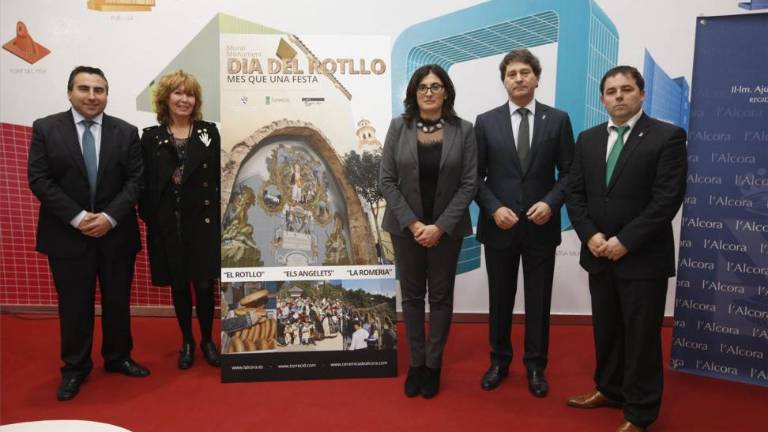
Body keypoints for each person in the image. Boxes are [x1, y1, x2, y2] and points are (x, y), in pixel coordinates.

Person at [564, 66, 687, 432]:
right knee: (608, 330)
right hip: (599, 254)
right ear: (602, 98)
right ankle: (609, 389)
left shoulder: (667, 137)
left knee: (642, 337)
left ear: (641, 94)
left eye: (626, 89)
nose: (619, 96)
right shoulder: (587, 139)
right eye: (611, 91)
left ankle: (640, 412)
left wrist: (625, 241)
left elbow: (666, 200)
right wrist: (590, 236)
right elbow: (575, 193)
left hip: (642, 258)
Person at [28, 65, 149, 401]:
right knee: (74, 305)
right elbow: (40, 180)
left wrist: (109, 217)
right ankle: (75, 368)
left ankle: (118, 357)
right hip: (67, 235)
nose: (92, 96)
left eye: (99, 90)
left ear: (107, 95)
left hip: (116, 233)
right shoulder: (46, 128)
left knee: (117, 301)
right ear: (70, 92)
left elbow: (136, 181)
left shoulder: (126, 132)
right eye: (84, 89)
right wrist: (79, 217)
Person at [474, 49, 574, 397]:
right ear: (504, 80)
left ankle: (535, 367)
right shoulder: (485, 121)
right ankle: (499, 361)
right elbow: (475, 177)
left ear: (536, 78)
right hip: (498, 228)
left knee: (538, 301)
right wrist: (493, 208)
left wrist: (551, 202)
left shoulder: (558, 120)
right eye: (511, 73)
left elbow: (570, 173)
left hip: (541, 228)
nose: (518, 78)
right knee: (499, 300)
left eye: (525, 72)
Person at [379, 64, 478, 399]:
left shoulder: (465, 131)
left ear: (446, 91)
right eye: (423, 87)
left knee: (439, 297)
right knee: (410, 297)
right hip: (406, 229)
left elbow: (469, 184)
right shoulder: (398, 127)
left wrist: (439, 226)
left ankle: (433, 366)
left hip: (446, 231)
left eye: (436, 86)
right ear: (414, 93)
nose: (430, 92)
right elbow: (386, 181)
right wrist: (414, 223)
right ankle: (416, 365)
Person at [138, 70, 221, 369]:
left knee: (203, 285)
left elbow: (216, 178)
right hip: (168, 224)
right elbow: (144, 182)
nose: (184, 99)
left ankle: (208, 340)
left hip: (203, 223)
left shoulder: (209, 132)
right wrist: (151, 216)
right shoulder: (151, 137)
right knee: (179, 285)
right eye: (178, 93)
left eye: (190, 94)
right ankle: (186, 340)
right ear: (166, 98)